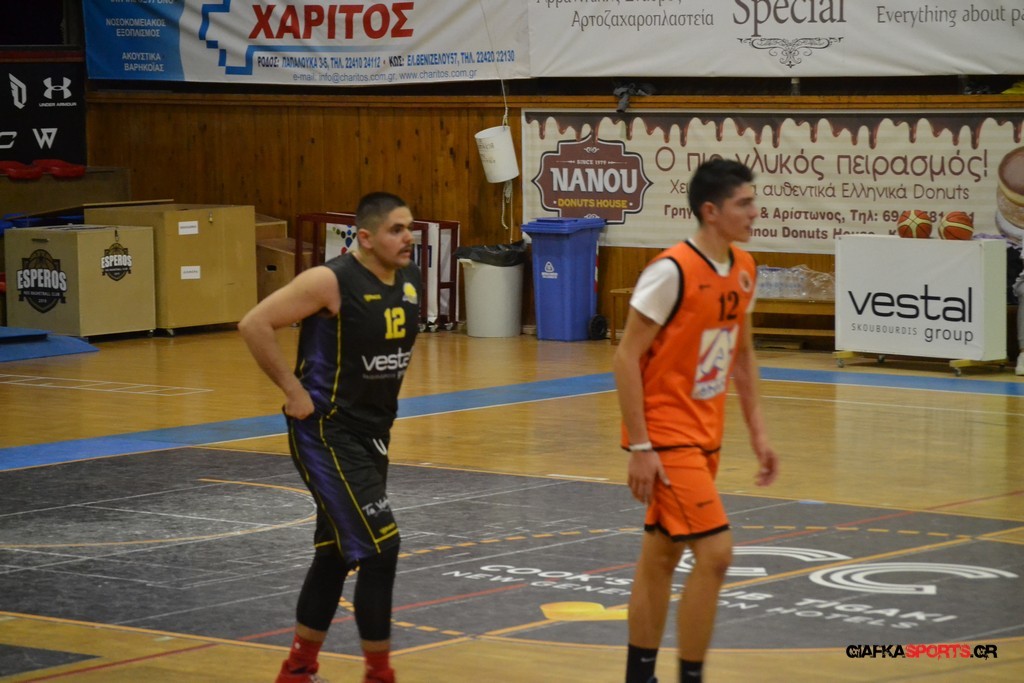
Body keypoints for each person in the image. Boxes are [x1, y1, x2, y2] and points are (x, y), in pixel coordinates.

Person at [239, 192, 421, 683]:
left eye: (409, 227)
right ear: (365, 237)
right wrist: (293, 390)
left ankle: (297, 671)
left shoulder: (409, 278)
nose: (407, 237)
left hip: (374, 433)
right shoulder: (330, 280)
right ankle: (379, 675)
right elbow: (254, 324)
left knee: (336, 552)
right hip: (326, 431)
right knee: (381, 548)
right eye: (396, 229)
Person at [612, 159, 779, 683]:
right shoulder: (671, 272)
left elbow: (742, 356)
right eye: (743, 203)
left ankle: (640, 677)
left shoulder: (744, 267)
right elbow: (625, 357)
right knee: (717, 554)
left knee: (660, 560)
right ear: (711, 211)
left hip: (706, 436)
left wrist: (758, 433)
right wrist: (641, 447)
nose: (755, 212)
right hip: (668, 439)